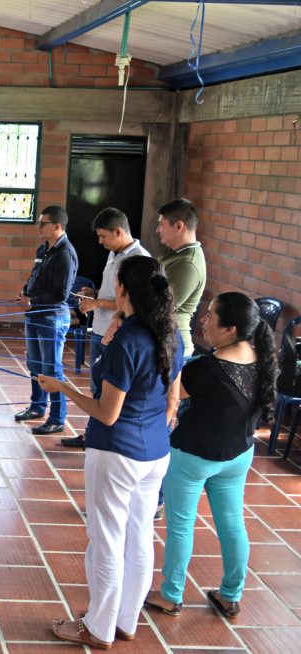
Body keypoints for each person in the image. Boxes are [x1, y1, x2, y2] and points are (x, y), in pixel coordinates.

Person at [39, 255, 183, 649]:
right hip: (155, 451)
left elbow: (107, 412)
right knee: (139, 536)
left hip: (118, 452)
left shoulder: (129, 341)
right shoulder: (170, 333)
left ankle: (98, 627)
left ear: (122, 290)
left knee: (105, 540)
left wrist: (64, 388)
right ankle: (125, 621)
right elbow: (173, 399)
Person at [144, 293, 277, 623]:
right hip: (239, 455)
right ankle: (230, 595)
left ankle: (171, 595)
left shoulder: (207, 368)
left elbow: (169, 395)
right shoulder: (263, 359)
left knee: (181, 526)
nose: (203, 320)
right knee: (232, 524)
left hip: (193, 456)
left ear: (230, 329)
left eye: (211, 315)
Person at [62, 208, 150, 448]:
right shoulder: (114, 254)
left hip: (119, 334)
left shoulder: (140, 259)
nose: (100, 242)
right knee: (97, 387)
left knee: (114, 391)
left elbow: (135, 302)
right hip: (100, 331)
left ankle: (109, 436)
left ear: (118, 231)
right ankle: (93, 433)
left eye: (103, 236)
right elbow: (112, 293)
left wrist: (99, 303)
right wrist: (95, 294)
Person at [15, 205, 78, 436]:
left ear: (57, 226)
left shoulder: (65, 253)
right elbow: (34, 276)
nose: (39, 226)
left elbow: (61, 293)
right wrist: (24, 293)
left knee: (51, 369)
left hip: (51, 317)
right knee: (34, 364)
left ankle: (57, 418)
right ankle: (37, 406)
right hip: (35, 314)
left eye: (43, 223)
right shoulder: (44, 248)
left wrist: (32, 301)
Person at [156, 198, 206, 357]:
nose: (158, 230)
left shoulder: (187, 264)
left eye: (161, 225)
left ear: (178, 226)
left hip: (171, 347)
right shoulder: (176, 253)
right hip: (160, 342)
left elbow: (160, 306)